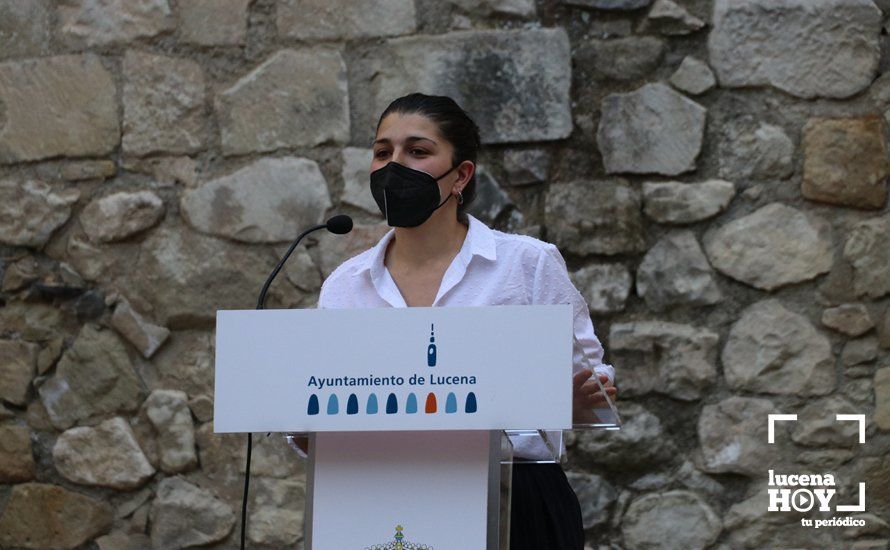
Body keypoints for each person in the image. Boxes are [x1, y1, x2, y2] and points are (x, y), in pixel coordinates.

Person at [310, 93, 617, 549]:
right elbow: (325, 398)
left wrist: (577, 397)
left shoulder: (525, 264)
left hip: (517, 499)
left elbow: (591, 378)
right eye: (382, 152)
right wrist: (304, 418)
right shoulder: (344, 285)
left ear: (462, 174)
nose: (395, 165)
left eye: (417, 151)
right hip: (381, 498)